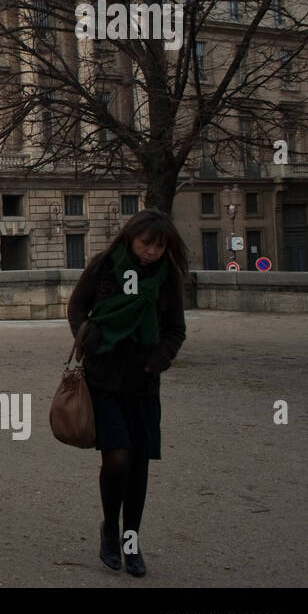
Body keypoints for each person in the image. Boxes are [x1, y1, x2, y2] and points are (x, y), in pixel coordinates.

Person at [67, 208, 188, 578]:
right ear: (130, 237)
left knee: (138, 467)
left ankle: (131, 540)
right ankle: (109, 528)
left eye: (158, 246)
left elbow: (175, 330)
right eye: (145, 243)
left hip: (143, 383)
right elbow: (77, 307)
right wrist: (89, 338)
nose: (151, 251)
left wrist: (158, 360)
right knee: (117, 458)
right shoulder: (104, 265)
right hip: (104, 378)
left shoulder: (168, 278)